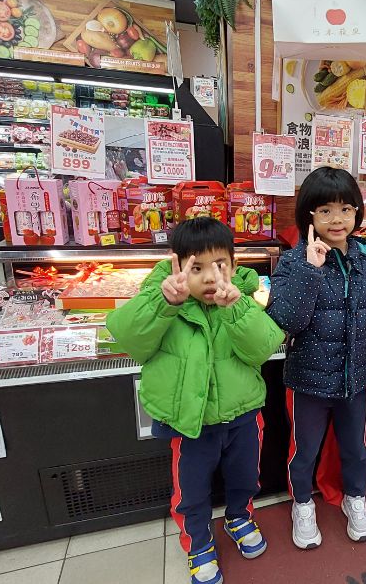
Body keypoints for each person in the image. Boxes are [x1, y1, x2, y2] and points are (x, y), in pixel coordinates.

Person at [107, 217, 284, 584]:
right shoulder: (161, 297)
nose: (208, 278)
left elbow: (263, 347)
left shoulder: (244, 299)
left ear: (233, 265)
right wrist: (163, 304)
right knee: (191, 491)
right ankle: (199, 543)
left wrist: (236, 309)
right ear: (176, 266)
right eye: (196, 268)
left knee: (245, 477)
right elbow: (129, 339)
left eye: (218, 265)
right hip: (190, 423)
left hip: (243, 414)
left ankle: (239, 517)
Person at [266, 166, 366, 549]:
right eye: (325, 210)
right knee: (304, 451)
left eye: (345, 209)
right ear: (309, 214)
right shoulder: (294, 262)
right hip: (307, 381)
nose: (337, 219)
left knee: (356, 448)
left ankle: (355, 498)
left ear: (357, 211)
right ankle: (302, 504)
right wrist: (311, 270)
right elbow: (286, 322)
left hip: (356, 381)